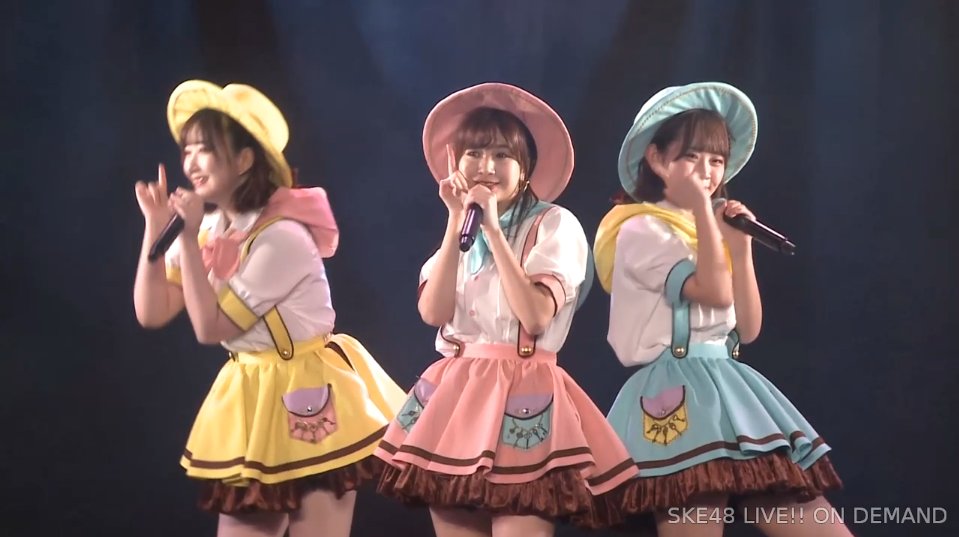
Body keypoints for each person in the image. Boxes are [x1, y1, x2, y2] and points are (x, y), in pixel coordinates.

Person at [133, 80, 407, 537]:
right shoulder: (209, 228)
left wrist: (187, 239)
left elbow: (210, 327)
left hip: (309, 395)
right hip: (250, 393)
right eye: (187, 150)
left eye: (206, 149)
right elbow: (151, 312)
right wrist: (155, 228)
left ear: (244, 160)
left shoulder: (281, 236)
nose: (192, 162)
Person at [373, 82, 638, 537]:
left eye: (501, 155)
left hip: (524, 388)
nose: (486, 167)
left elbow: (535, 316)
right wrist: (455, 220)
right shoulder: (459, 233)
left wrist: (494, 232)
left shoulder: (554, 225)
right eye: (474, 154)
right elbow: (433, 313)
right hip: (456, 396)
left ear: (525, 168)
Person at [592, 81, 852, 536]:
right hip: (675, 388)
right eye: (691, 157)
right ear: (656, 158)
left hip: (730, 385)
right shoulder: (639, 229)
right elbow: (713, 293)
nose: (706, 172)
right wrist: (701, 209)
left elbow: (747, 329)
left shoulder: (709, 232)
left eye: (716, 160)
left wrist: (740, 246)